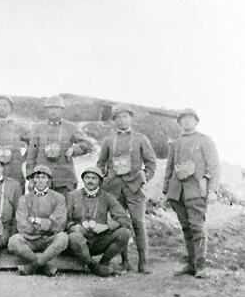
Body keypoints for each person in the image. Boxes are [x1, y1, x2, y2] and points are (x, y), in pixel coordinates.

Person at [96, 104, 156, 274]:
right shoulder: (108, 140)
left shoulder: (140, 139)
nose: (121, 120)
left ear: (131, 118)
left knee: (138, 223)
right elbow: (101, 162)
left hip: (134, 188)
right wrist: (103, 177)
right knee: (120, 225)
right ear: (114, 120)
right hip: (114, 188)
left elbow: (151, 163)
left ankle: (143, 263)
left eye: (125, 116)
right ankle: (125, 261)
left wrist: (146, 175)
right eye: (118, 117)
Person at [163, 108, 220, 278]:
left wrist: (212, 191)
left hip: (196, 190)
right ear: (179, 123)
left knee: (197, 227)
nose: (187, 122)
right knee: (186, 228)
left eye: (190, 119)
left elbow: (214, 167)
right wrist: (166, 190)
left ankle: (200, 265)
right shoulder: (176, 143)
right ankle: (191, 264)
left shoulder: (205, 141)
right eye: (183, 119)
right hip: (177, 192)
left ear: (196, 122)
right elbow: (170, 167)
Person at [67, 167, 132, 277]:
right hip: (79, 242)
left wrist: (106, 226)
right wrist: (72, 227)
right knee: (74, 237)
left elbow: (124, 219)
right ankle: (93, 266)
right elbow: (63, 218)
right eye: (87, 178)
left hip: (98, 241)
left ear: (100, 181)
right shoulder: (72, 196)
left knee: (124, 233)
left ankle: (104, 262)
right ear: (83, 180)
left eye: (94, 178)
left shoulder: (107, 197)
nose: (90, 181)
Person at [26, 95, 94, 200]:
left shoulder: (70, 127)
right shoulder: (38, 128)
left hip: (65, 178)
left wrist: (74, 150)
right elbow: (31, 154)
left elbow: (88, 144)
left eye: (56, 108)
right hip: (42, 179)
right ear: (46, 110)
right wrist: (31, 178)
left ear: (62, 111)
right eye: (50, 108)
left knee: (65, 210)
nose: (53, 111)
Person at [8, 165, 68, 277]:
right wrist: (45, 224)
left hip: (49, 238)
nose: (40, 180)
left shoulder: (58, 198)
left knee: (63, 238)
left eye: (43, 177)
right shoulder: (25, 199)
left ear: (49, 180)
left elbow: (59, 224)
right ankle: (44, 265)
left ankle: (33, 266)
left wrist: (37, 221)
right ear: (33, 179)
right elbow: (22, 224)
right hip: (30, 239)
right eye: (37, 177)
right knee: (13, 240)